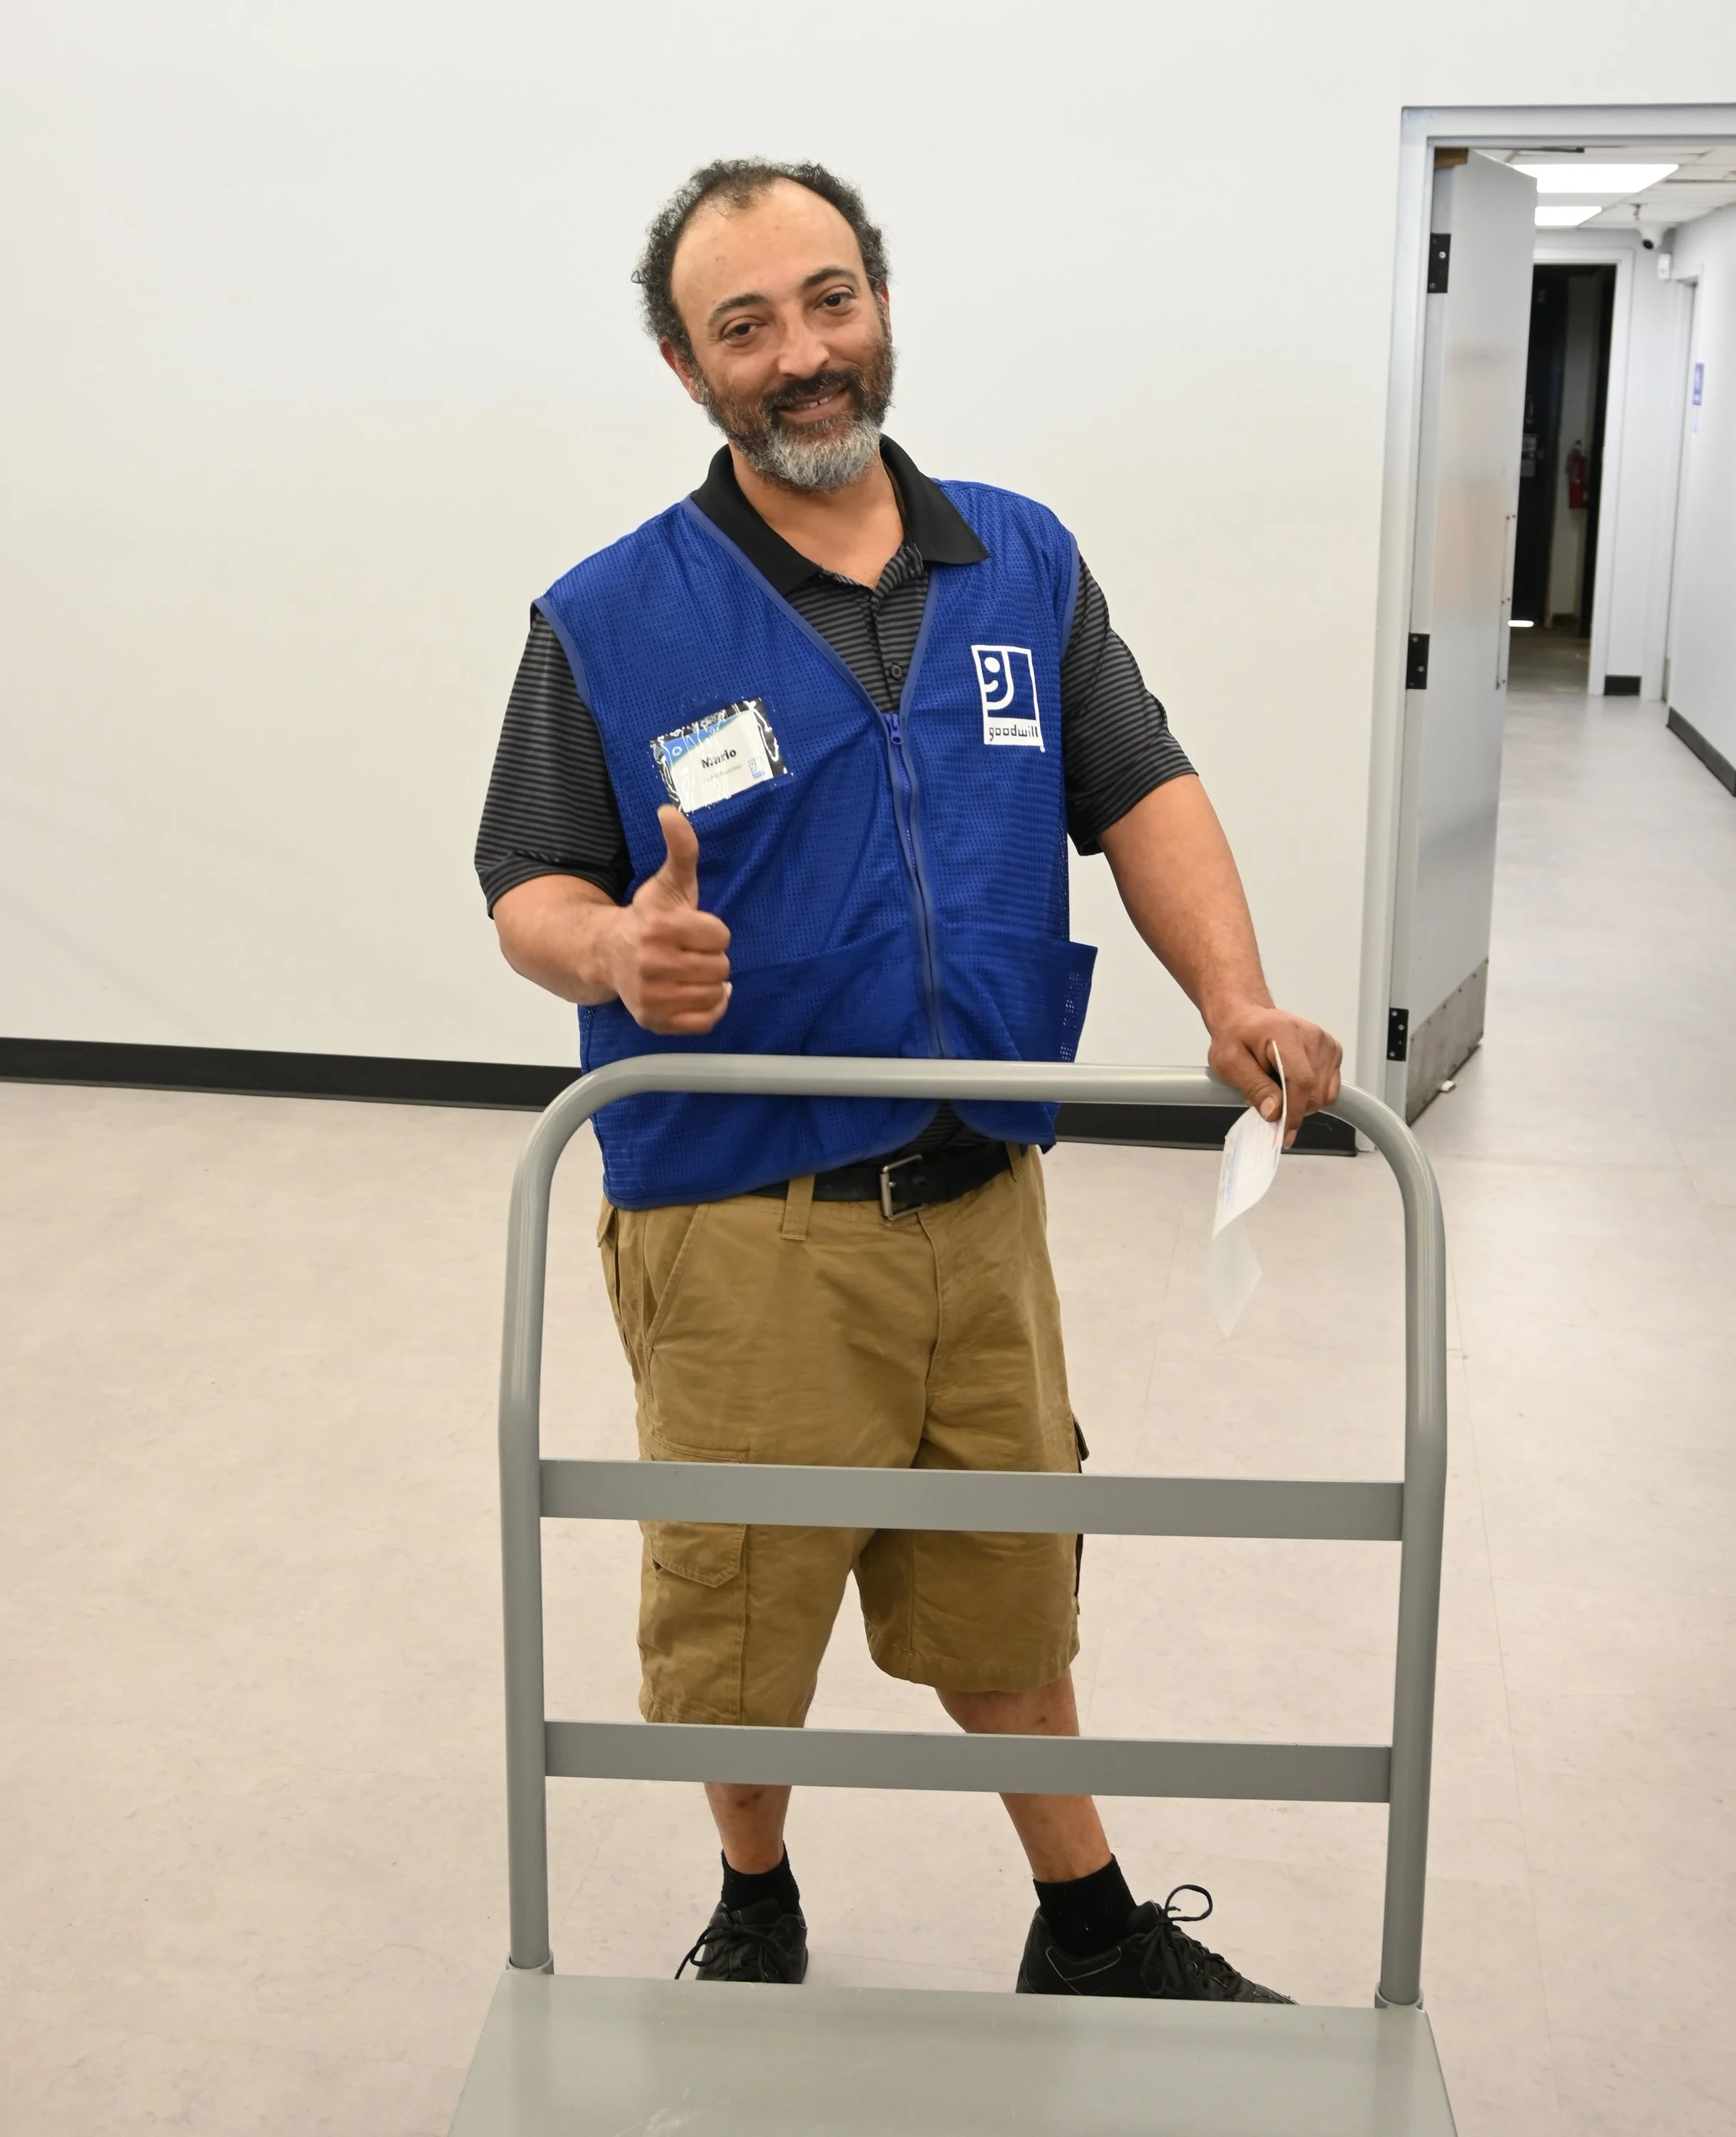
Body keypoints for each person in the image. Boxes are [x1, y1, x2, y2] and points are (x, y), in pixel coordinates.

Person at [475, 159, 1342, 2002]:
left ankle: (1086, 1926)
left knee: (1003, 1587)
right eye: (747, 325)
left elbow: (1139, 786)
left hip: (981, 1201)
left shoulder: (1015, 560)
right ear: (682, 364)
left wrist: (1236, 992)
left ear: (876, 300)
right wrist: (610, 952)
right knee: (740, 1617)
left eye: (829, 298)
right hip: (744, 1219)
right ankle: (755, 1894)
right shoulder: (608, 617)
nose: (803, 354)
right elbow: (525, 886)